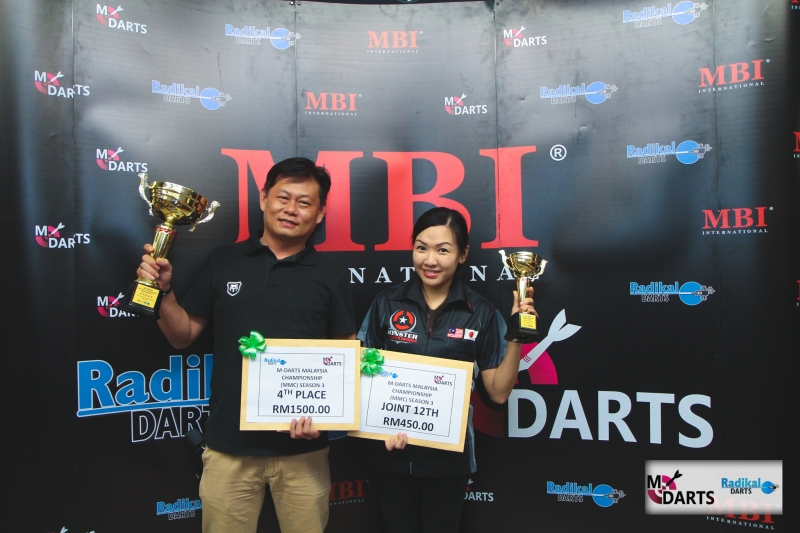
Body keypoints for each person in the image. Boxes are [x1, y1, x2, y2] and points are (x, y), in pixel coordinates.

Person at [137, 157, 357, 533]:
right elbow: (181, 335)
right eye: (283, 197)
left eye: (304, 202)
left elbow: (345, 357)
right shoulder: (223, 261)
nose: (291, 209)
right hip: (228, 450)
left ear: (320, 213)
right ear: (263, 198)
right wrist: (163, 292)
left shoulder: (332, 276)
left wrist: (324, 421)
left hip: (303, 453)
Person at [357, 207, 535, 533]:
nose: (430, 260)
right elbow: (361, 373)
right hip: (390, 454)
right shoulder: (386, 303)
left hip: (448, 461)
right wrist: (378, 425)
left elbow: (498, 393)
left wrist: (516, 335)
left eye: (442, 250)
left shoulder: (481, 312)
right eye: (421, 248)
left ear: (462, 254)